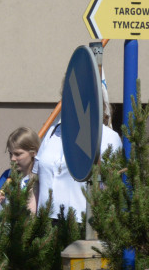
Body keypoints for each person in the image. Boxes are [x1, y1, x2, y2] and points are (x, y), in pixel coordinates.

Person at [36, 92, 122, 221]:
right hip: (44, 223)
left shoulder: (108, 137)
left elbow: (109, 187)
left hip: (80, 223)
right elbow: (36, 181)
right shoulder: (53, 132)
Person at [0, 126, 39, 213]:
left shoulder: (39, 180)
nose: (12, 159)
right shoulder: (7, 175)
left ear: (33, 153)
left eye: (18, 154)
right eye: (10, 154)